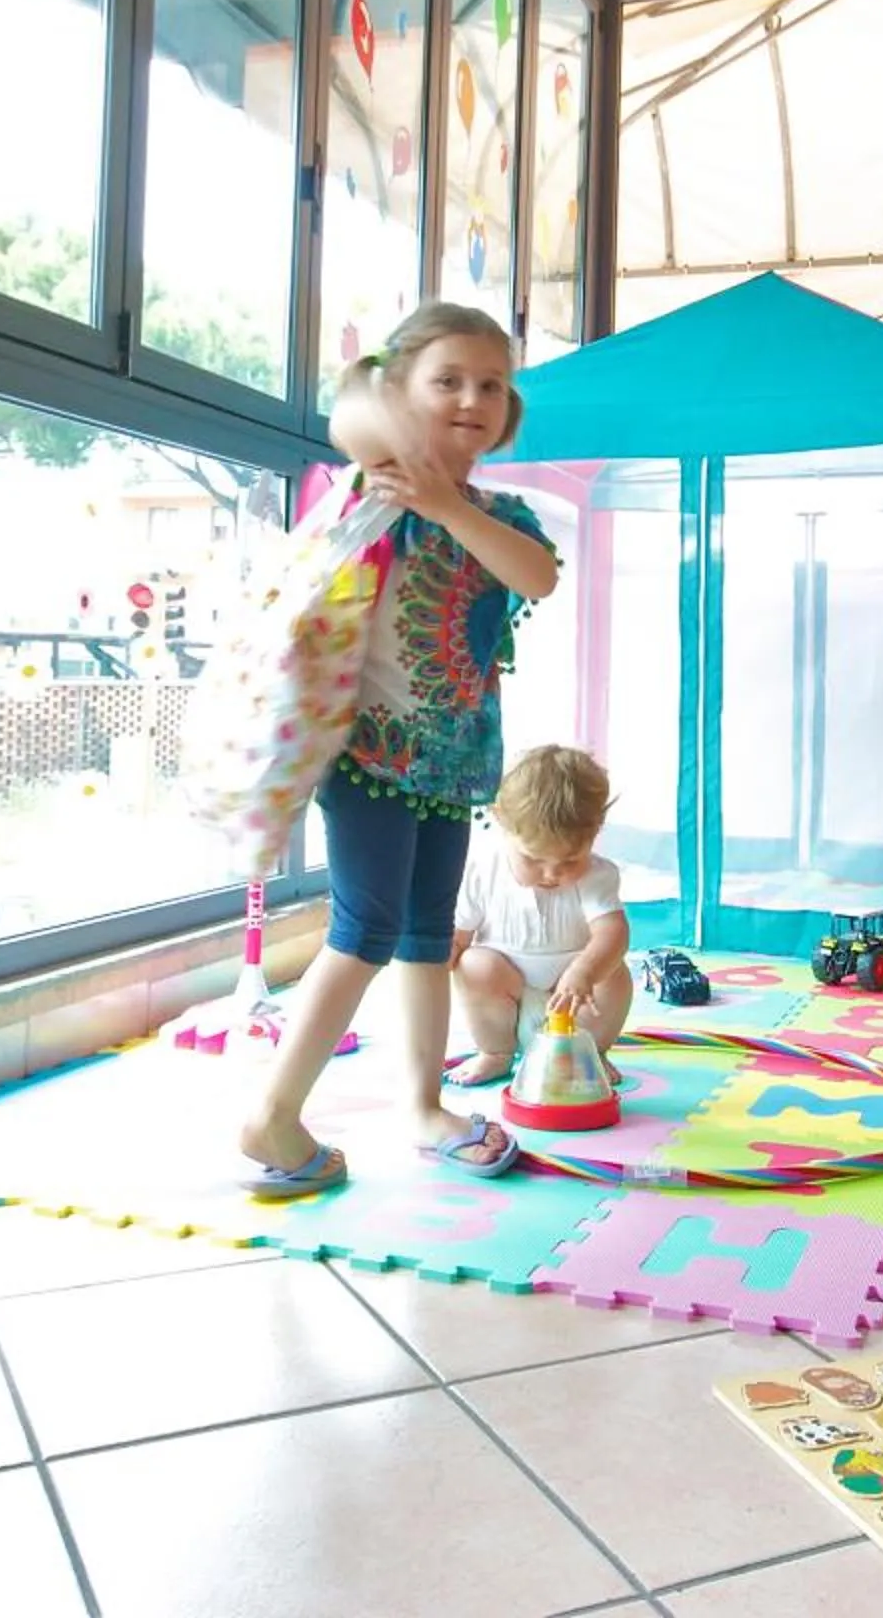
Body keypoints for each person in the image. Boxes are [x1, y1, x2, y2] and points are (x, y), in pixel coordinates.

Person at [236, 304, 559, 1195]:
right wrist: (401, 449)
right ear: (401, 395)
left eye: (491, 385)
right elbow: (351, 417)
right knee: (365, 930)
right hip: (370, 760)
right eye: (446, 380)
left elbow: (535, 575)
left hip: (451, 767)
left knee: (427, 937)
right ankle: (272, 1114)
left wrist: (452, 502)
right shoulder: (373, 490)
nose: (471, 399)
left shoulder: (500, 515)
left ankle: (422, 1105)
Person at [443, 745, 631, 1087]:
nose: (551, 874)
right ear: (502, 823)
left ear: (596, 831)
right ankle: (496, 1053)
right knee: (473, 966)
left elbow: (612, 932)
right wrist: (443, 955)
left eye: (570, 861)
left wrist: (586, 970)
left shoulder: (597, 876)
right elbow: (459, 935)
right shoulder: (483, 871)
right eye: (533, 859)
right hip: (508, 994)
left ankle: (592, 1052)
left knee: (614, 976)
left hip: (573, 995)